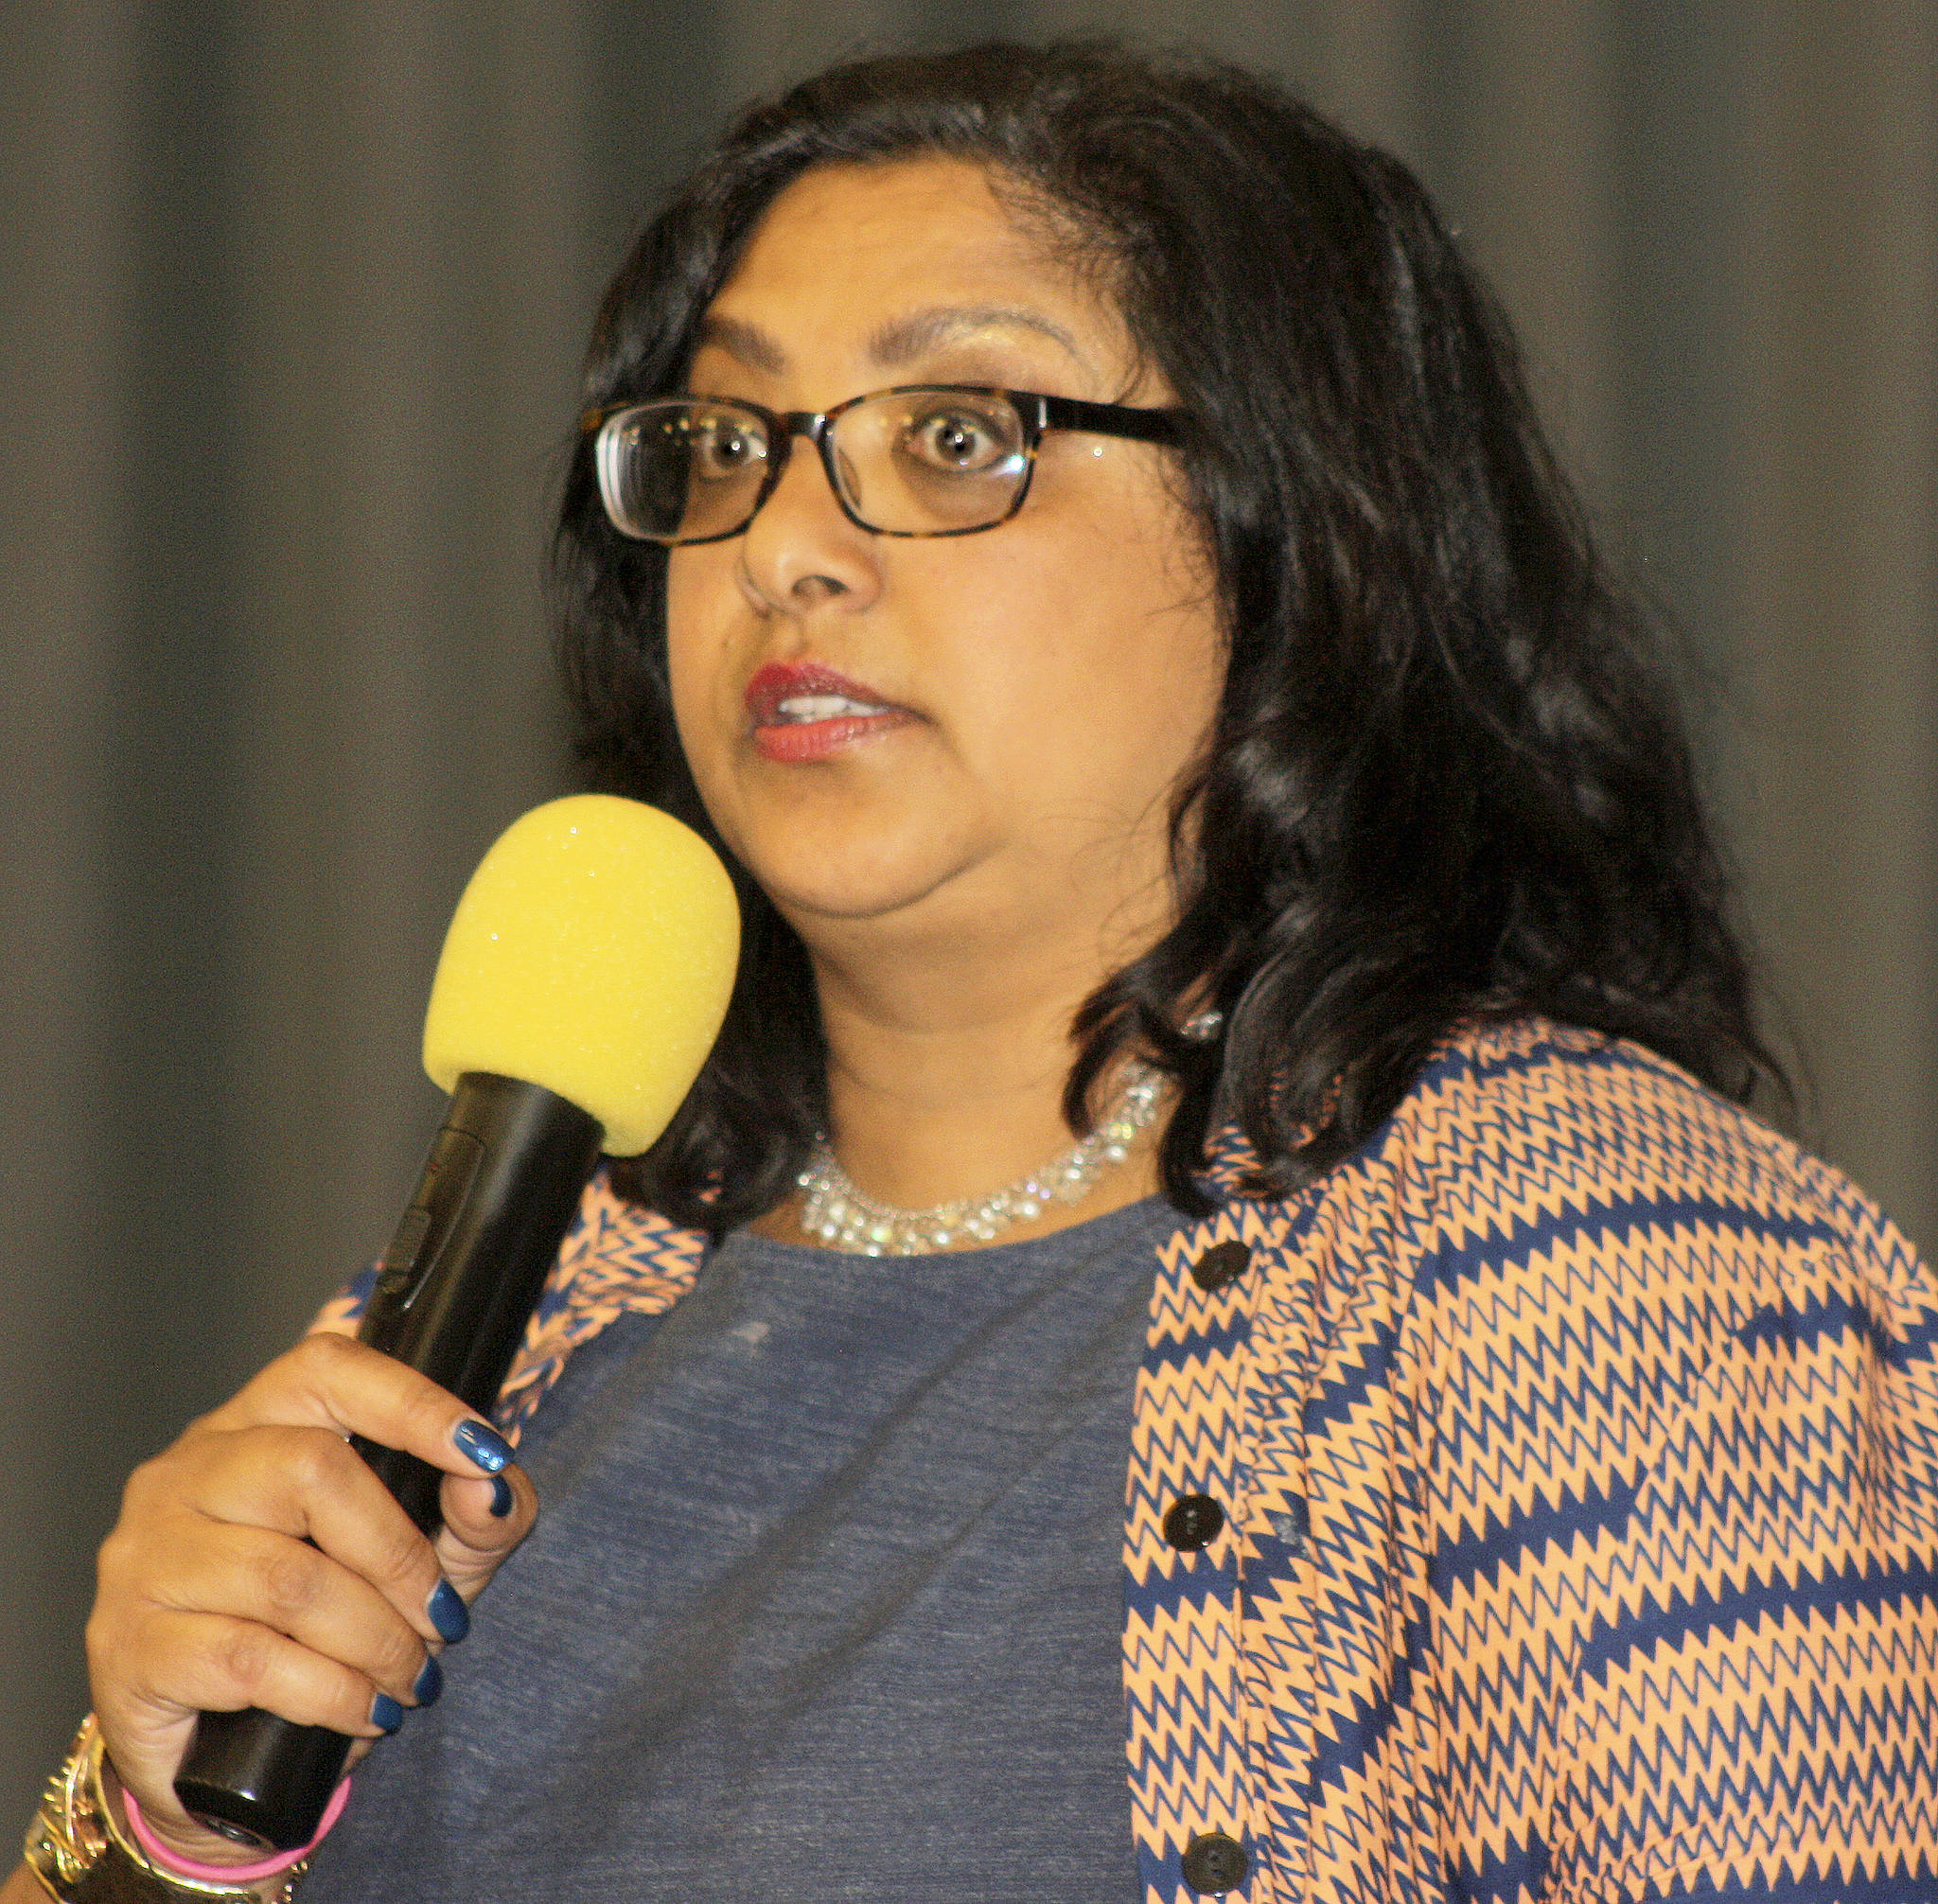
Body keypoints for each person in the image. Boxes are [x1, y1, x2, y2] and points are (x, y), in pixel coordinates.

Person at [16, 41, 1938, 1904]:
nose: (786, 548)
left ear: (1301, 533)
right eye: (730, 442)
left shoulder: (1619, 1283)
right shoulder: (510, 1309)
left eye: (955, 437)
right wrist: (164, 1837)